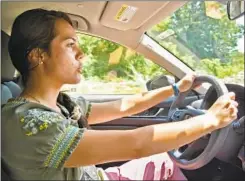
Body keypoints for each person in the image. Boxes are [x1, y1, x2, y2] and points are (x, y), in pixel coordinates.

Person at [1, 9, 238, 181]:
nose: (82, 53)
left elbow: (123, 106)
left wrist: (175, 89)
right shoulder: (29, 124)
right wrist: (210, 120)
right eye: (70, 44)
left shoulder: (60, 104)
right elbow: (136, 144)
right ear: (37, 55)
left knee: (165, 162)